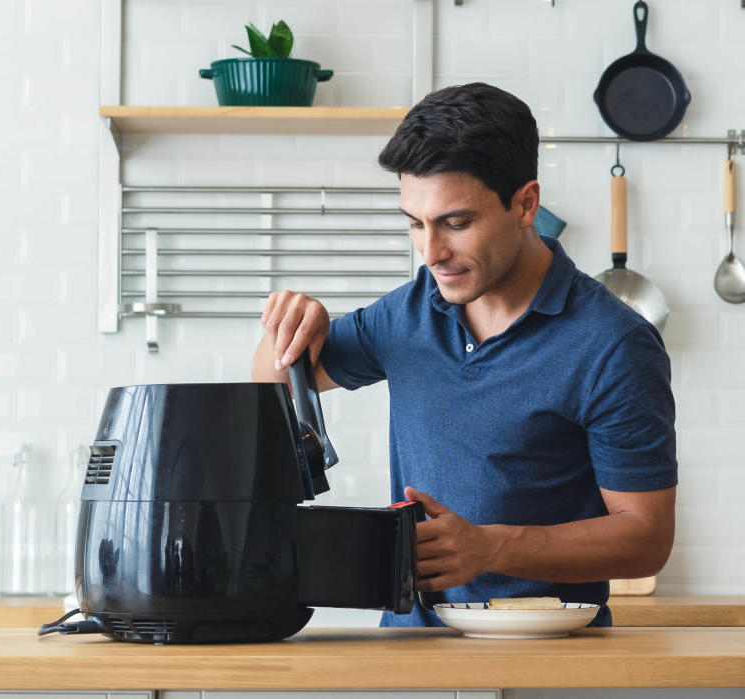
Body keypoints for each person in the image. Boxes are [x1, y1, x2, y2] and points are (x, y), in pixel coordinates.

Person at [251, 82, 676, 627]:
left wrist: (491, 548)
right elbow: (273, 383)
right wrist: (289, 326)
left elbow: (646, 537)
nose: (431, 252)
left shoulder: (613, 344)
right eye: (414, 223)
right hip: (412, 664)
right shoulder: (406, 316)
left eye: (456, 223)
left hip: (547, 665)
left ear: (526, 204)